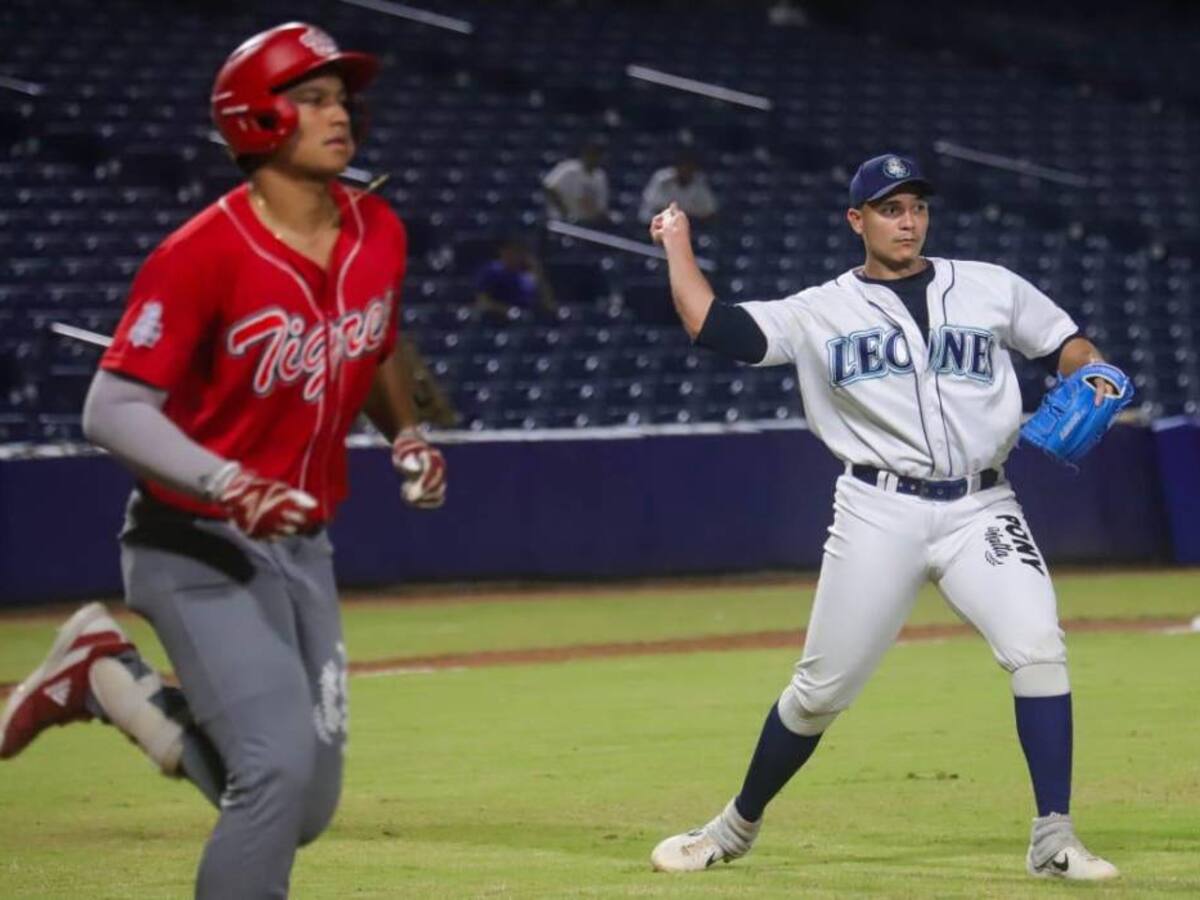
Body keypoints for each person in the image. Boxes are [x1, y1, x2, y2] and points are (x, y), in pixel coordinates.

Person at [0, 22, 447, 899]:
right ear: (255, 119)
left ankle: (106, 677)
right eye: (310, 99)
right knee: (272, 773)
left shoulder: (379, 229)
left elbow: (378, 342)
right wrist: (229, 481)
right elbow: (110, 408)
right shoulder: (201, 253)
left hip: (304, 546)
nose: (338, 114)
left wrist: (406, 432)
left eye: (340, 98)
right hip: (194, 541)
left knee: (303, 807)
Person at [645, 153, 1124, 881]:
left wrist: (1087, 369)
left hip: (982, 505)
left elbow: (1065, 343)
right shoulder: (820, 310)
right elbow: (714, 325)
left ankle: (1054, 838)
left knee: (1038, 649)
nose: (908, 222)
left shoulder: (990, 285)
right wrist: (678, 245)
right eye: (891, 209)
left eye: (917, 208)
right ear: (857, 220)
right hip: (878, 510)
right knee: (820, 693)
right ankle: (734, 826)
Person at [474, 238, 558, 319]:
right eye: (509, 251)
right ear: (502, 252)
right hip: (498, 319)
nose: (513, 255)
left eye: (517, 251)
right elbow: (483, 302)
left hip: (529, 321)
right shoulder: (491, 270)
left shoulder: (530, 274)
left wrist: (538, 272)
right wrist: (507, 310)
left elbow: (548, 303)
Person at [638, 150, 718, 223]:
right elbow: (654, 205)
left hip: (688, 224)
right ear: (677, 167)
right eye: (683, 166)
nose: (685, 170)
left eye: (689, 167)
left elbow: (709, 211)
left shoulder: (701, 183)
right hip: (657, 222)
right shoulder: (662, 179)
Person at [542, 140, 610, 224]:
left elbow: (601, 208)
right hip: (559, 221)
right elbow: (549, 187)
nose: (593, 158)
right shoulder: (569, 168)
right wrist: (565, 213)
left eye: (597, 155)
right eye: (591, 154)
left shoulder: (600, 176)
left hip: (584, 224)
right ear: (585, 153)